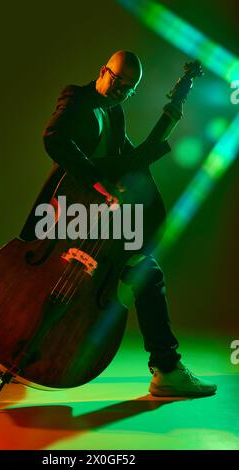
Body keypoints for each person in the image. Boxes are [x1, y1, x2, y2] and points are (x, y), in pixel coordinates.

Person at [21, 50, 217, 397]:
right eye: (116, 80)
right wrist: (99, 181)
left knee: (147, 272)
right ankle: (16, 340)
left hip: (101, 225)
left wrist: (168, 122)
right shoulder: (76, 99)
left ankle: (166, 371)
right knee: (43, 283)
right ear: (102, 71)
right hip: (68, 219)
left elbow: (130, 161)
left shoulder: (117, 113)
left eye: (129, 88)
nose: (120, 90)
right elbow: (54, 138)